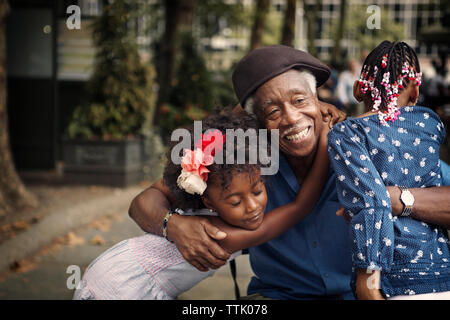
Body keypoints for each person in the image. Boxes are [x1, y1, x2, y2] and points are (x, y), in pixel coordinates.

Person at [129, 45, 450, 300]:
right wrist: (174, 225)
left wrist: (396, 198)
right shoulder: (242, 163)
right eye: (272, 110)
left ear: (318, 100)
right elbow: (145, 201)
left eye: (300, 100)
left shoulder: (368, 148)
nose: (292, 118)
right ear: (255, 121)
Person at [74, 109, 331, 300]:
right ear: (207, 200)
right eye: (235, 201)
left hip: (119, 269)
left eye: (257, 190)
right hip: (123, 287)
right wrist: (324, 141)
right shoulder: (219, 234)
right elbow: (300, 207)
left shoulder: (211, 194)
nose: (252, 206)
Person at [328, 40, 450, 300]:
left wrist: (368, 281)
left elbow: (372, 205)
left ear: (359, 89)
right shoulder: (431, 124)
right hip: (442, 272)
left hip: (394, 282)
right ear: (415, 92)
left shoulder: (348, 133)